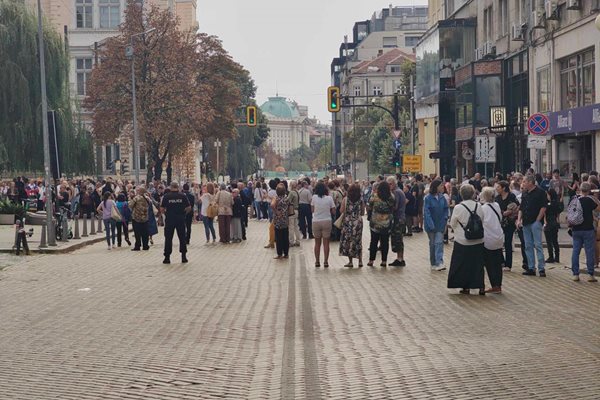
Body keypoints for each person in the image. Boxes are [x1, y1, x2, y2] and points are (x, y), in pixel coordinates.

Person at [448, 184, 486, 295]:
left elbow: (453, 223)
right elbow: (482, 219)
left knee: (463, 264)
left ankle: (466, 286)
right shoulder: (479, 206)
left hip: (462, 240)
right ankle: (480, 286)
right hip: (478, 239)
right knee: (478, 264)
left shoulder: (458, 207)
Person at [518, 175, 547, 277]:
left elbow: (543, 207)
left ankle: (541, 268)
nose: (523, 183)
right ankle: (531, 268)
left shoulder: (540, 192)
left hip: (535, 222)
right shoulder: (525, 193)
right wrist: (519, 219)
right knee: (528, 246)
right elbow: (521, 207)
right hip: (526, 222)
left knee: (538, 245)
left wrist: (538, 220)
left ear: (530, 182)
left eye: (525, 181)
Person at [570, 182, 600, 282]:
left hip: (576, 229)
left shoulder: (575, 199)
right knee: (589, 252)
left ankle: (575, 274)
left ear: (580, 189)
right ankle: (590, 274)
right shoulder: (589, 200)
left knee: (575, 251)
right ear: (589, 190)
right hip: (588, 229)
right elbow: (598, 208)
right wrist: (595, 198)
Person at [160, 181, 191, 264]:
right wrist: (183, 213)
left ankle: (167, 257)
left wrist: (166, 213)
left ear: (170, 187)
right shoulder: (182, 196)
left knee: (168, 238)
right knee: (182, 238)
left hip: (170, 220)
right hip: (180, 219)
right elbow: (188, 207)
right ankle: (183, 256)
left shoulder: (166, 196)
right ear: (178, 187)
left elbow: (162, 209)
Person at [481, 187, 504, 294]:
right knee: (497, 262)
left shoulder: (483, 208)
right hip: (498, 236)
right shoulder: (497, 205)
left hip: (488, 238)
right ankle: (498, 285)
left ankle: (494, 285)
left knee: (489, 263)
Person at [367, 180, 395, 267]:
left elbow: (369, 207)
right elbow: (393, 207)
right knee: (385, 242)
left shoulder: (374, 196)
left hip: (375, 222)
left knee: (374, 241)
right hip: (386, 222)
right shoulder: (391, 197)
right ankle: (384, 261)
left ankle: (371, 260)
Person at [495, 181, 520, 271]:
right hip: (500, 223)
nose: (496, 189)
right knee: (499, 242)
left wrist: (510, 212)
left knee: (508, 242)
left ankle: (508, 264)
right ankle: (501, 261)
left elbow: (517, 206)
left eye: (498, 187)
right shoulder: (497, 198)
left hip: (509, 222)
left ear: (503, 188)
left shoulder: (511, 196)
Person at [424, 180, 448, 271]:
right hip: (431, 225)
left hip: (440, 223)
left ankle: (439, 262)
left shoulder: (442, 197)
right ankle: (433, 262)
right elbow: (427, 212)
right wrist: (431, 224)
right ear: (436, 187)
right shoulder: (428, 198)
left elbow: (446, 209)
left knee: (439, 243)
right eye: (441, 186)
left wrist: (445, 219)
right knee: (433, 244)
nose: (442, 187)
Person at [311, 181, 335, 267]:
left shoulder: (314, 197)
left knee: (317, 243)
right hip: (327, 221)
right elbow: (333, 211)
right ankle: (325, 261)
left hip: (316, 221)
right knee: (326, 243)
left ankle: (317, 261)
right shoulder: (329, 198)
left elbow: (312, 210)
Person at [340, 183, 364, 268]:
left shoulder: (346, 199)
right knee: (358, 241)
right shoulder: (360, 200)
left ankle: (350, 262)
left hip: (348, 222)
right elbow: (362, 212)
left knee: (348, 240)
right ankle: (360, 261)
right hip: (358, 222)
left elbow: (342, 210)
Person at [388, 176, 407, 267]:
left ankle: (400, 258)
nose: (389, 186)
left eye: (390, 184)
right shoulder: (399, 191)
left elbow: (395, 206)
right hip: (400, 217)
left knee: (398, 238)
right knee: (398, 238)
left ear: (394, 183)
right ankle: (399, 257)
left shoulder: (396, 192)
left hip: (398, 218)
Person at [272, 183, 290, 259]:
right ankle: (286, 253)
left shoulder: (276, 198)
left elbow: (272, 205)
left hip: (278, 220)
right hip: (285, 219)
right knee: (285, 237)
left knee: (279, 237)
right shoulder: (286, 198)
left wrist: (276, 211)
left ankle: (279, 253)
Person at [544, 188, 561, 264]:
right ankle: (557, 257)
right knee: (555, 241)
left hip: (549, 222)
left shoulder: (548, 204)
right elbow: (558, 212)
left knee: (549, 241)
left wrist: (545, 222)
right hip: (555, 222)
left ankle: (551, 256)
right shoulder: (557, 203)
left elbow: (544, 213)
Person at [287, 180, 301, 247]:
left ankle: (291, 242)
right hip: (297, 210)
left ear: (291, 185)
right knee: (296, 226)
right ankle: (298, 241)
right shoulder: (297, 192)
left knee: (291, 227)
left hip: (291, 211)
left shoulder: (291, 192)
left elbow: (288, 201)